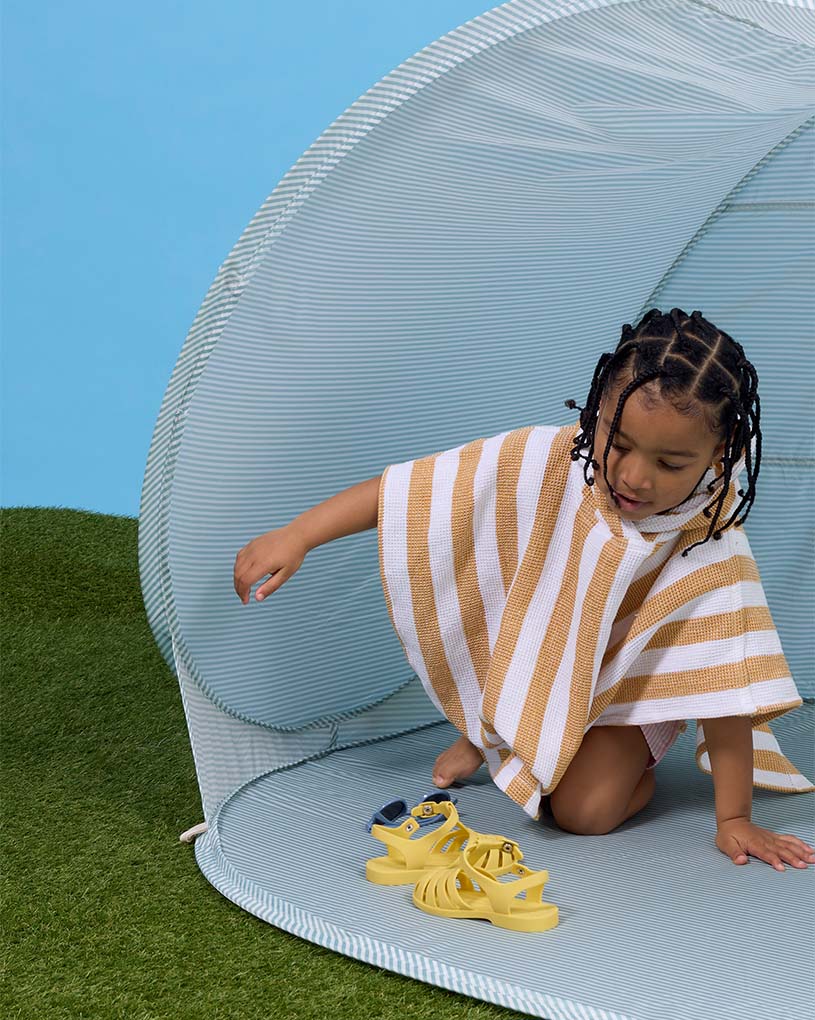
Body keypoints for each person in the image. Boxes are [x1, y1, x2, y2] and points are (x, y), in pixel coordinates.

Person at [233, 307, 815, 872]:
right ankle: (499, 733)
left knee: (583, 813)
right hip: (543, 656)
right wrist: (299, 534)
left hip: (630, 692)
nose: (634, 477)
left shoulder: (708, 539)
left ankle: (593, 752)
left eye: (670, 463)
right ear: (595, 415)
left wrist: (733, 818)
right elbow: (421, 491)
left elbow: (725, 678)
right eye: (619, 443)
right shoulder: (556, 460)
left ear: (722, 453)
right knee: (495, 581)